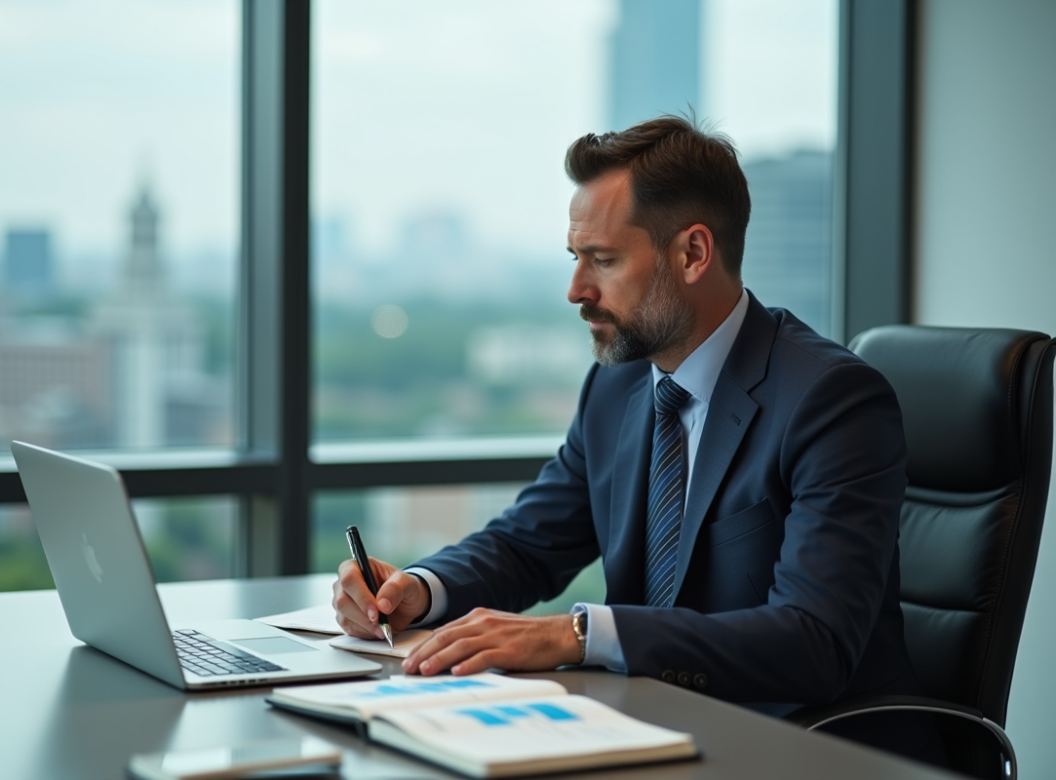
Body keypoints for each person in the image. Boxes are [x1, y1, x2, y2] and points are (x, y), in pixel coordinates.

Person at [332, 114, 937, 761]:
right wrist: (421, 589)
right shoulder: (617, 389)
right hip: (649, 735)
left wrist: (577, 633)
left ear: (693, 253)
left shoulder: (831, 400)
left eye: (604, 260)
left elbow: (813, 640)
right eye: (575, 258)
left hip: (809, 752)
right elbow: (526, 544)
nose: (576, 290)